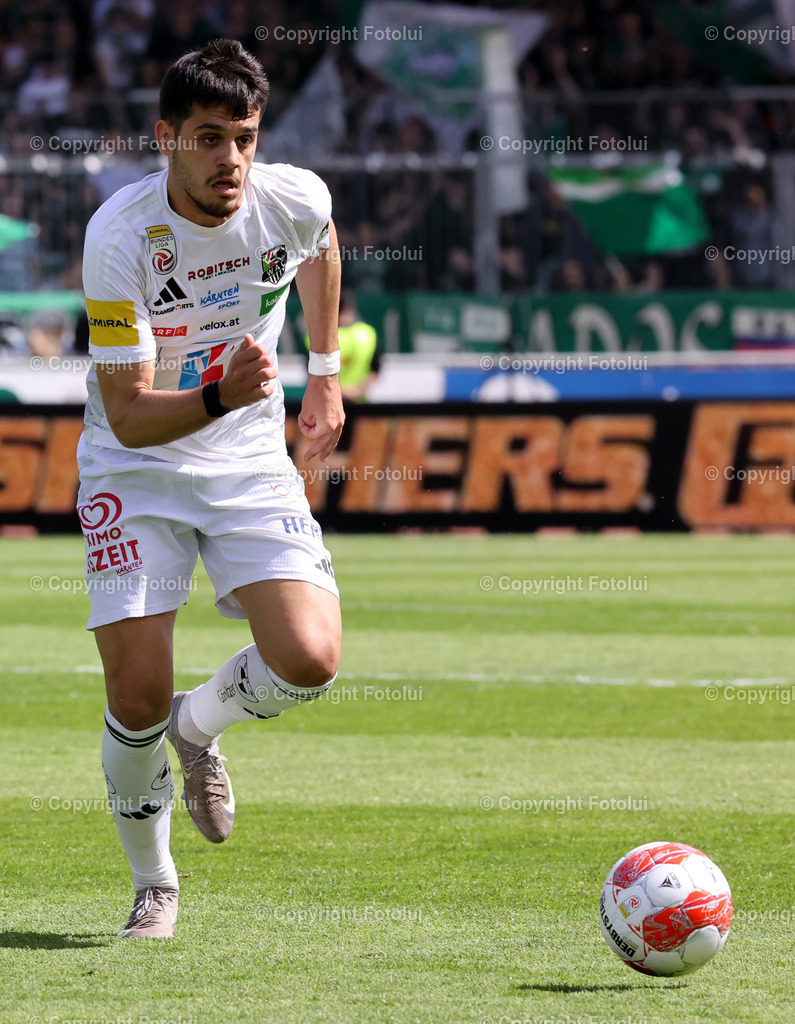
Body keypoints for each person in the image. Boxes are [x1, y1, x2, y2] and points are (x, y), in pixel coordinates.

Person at [78, 38, 344, 939]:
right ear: (166, 138)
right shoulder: (120, 238)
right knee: (135, 696)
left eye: (243, 137)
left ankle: (200, 728)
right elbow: (127, 415)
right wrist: (219, 392)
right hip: (136, 467)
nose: (229, 159)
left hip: (243, 457)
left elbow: (321, 241)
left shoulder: (291, 198)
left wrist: (327, 371)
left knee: (309, 661)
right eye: (207, 138)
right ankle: (155, 885)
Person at [305, 291, 379, 402]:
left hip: (339, 401)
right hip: (335, 401)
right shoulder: (367, 333)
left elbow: (376, 370)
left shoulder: (315, 335)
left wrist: (354, 390)